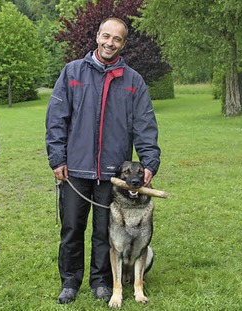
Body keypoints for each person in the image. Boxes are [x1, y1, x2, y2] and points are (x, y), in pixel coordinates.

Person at [45, 17, 161, 304]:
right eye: (106, 36)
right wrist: (57, 157)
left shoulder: (133, 80)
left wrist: (149, 162)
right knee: (71, 228)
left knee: (103, 232)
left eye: (117, 39)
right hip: (75, 170)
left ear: (123, 43)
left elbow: (145, 125)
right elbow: (56, 119)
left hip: (112, 174)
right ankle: (70, 282)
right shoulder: (72, 72)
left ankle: (101, 282)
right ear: (97, 36)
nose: (110, 42)